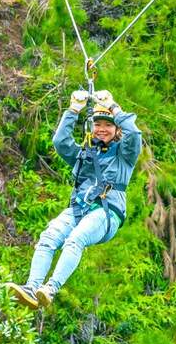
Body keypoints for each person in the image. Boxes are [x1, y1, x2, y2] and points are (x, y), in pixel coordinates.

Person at [7, 88, 142, 310]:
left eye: (107, 125)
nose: (102, 130)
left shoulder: (124, 154)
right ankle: (32, 288)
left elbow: (135, 135)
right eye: (98, 125)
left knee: (75, 239)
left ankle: (50, 288)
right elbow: (60, 141)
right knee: (48, 238)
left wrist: (114, 107)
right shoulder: (85, 154)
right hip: (80, 209)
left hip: (106, 213)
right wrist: (73, 110)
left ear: (117, 129)